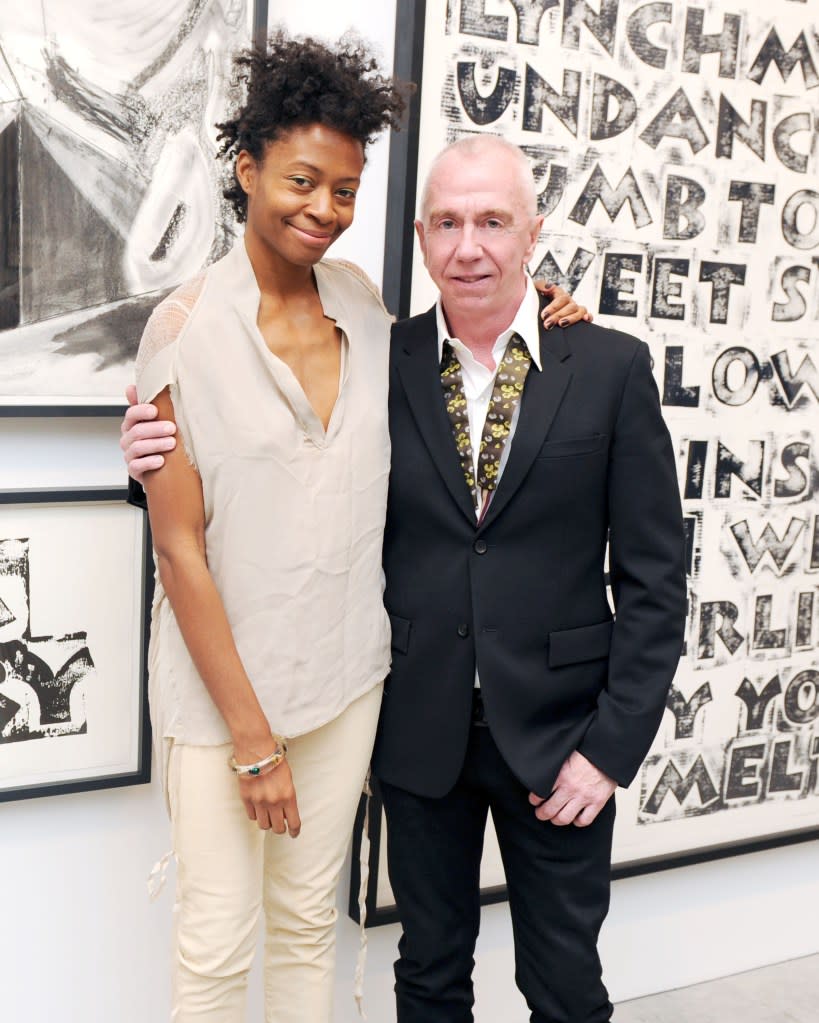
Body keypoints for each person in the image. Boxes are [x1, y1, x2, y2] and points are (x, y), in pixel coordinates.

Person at [123, 34, 589, 1023]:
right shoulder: (183, 327)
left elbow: (471, 348)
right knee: (215, 942)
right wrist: (253, 743)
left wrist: (542, 310)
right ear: (245, 170)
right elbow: (179, 549)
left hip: (345, 682)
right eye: (301, 181)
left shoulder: (367, 309)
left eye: (344, 190)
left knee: (307, 926)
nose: (323, 211)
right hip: (223, 702)